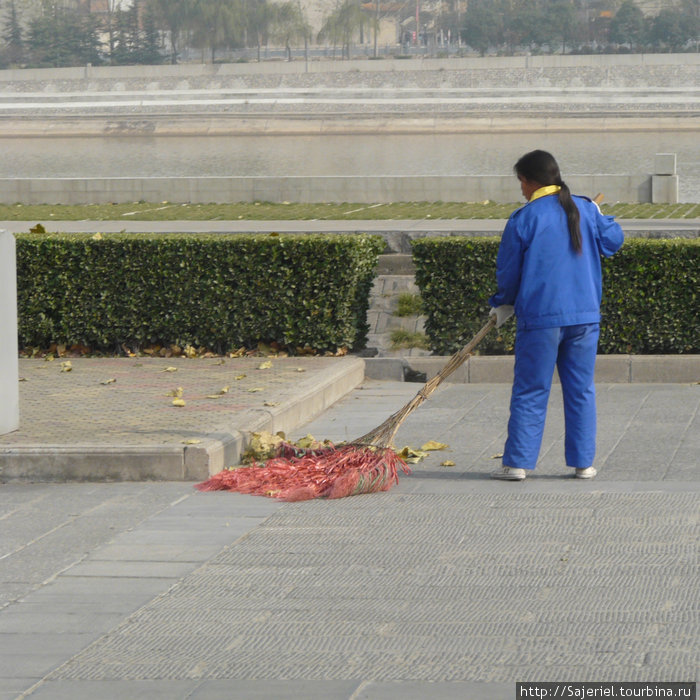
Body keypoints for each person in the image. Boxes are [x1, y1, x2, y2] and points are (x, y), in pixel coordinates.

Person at [488, 150, 624, 481]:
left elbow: (508, 273)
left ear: (529, 181)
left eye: (521, 182)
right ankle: (584, 464)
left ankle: (518, 463)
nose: (521, 190)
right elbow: (615, 240)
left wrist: (501, 303)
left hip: (540, 318)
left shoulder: (524, 218)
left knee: (531, 388)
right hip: (584, 316)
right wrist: (599, 214)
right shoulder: (585, 209)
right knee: (581, 389)